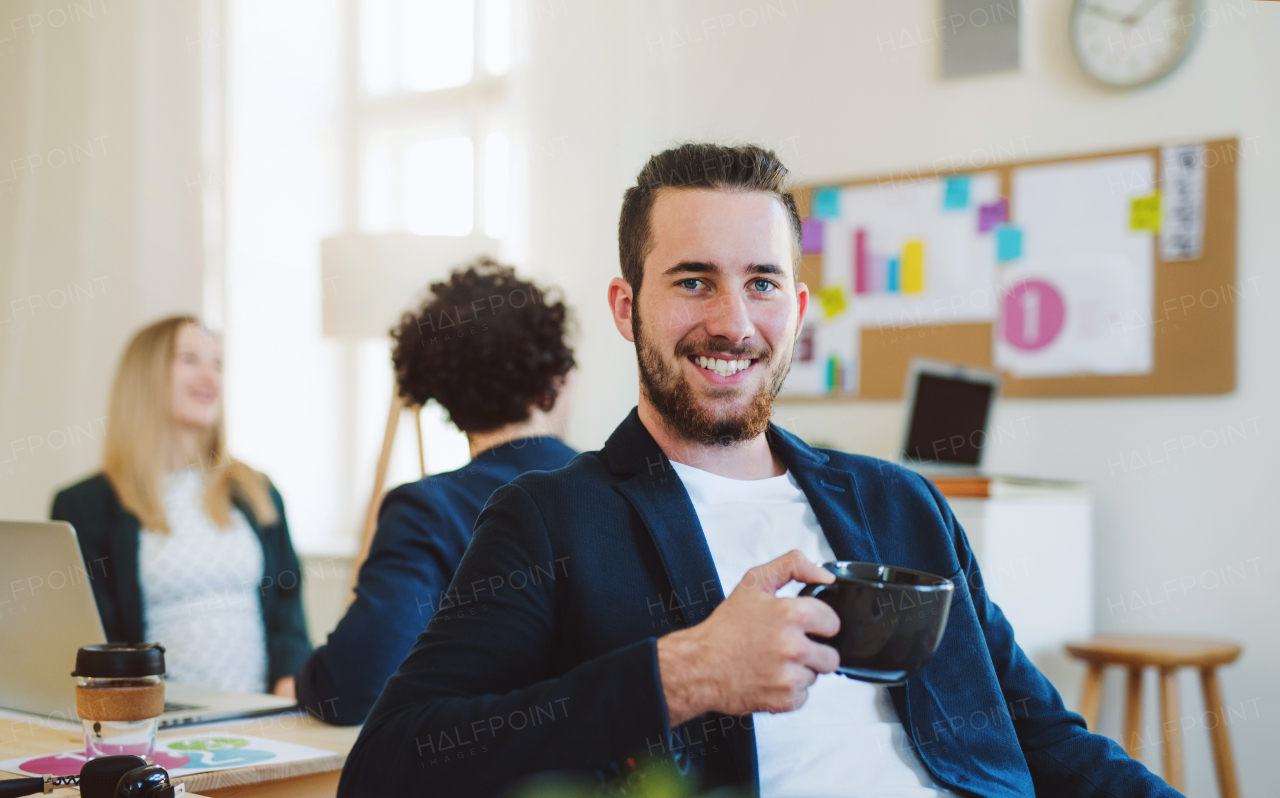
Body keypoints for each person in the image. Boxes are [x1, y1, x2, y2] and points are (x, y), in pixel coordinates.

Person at [338, 145, 1180, 797]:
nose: (733, 323)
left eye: (763, 283)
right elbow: (391, 765)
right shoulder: (553, 517)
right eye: (694, 281)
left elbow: (1044, 737)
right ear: (628, 309)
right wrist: (687, 672)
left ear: (800, 310)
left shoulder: (900, 503)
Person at [295, 260, 578, 726]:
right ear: (552, 377)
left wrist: (303, 678)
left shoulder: (428, 510)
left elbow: (355, 686)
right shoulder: (624, 485)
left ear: (441, 390)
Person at [52, 316, 308, 697]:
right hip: (162, 726)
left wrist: (288, 698)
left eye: (217, 364)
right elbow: (97, 640)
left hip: (261, 715)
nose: (210, 377)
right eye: (190, 359)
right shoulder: (85, 506)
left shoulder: (257, 490)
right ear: (146, 376)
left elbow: (289, 615)